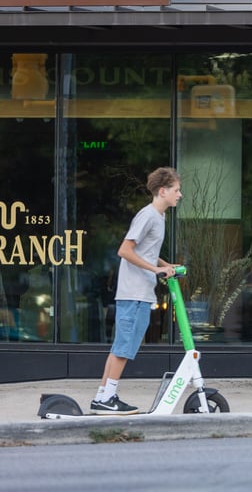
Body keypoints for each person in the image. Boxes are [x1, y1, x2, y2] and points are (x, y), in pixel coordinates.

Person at [90, 167, 182, 415]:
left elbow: (145, 250)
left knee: (120, 346)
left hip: (138, 292)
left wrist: (164, 265)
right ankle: (108, 397)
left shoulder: (159, 217)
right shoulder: (148, 216)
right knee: (124, 348)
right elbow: (125, 250)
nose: (179, 194)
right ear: (162, 191)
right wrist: (154, 270)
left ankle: (102, 396)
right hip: (134, 293)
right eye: (176, 190)